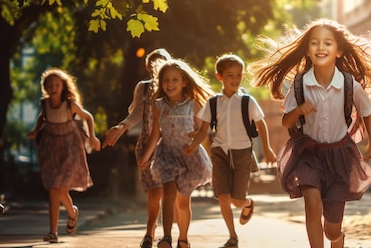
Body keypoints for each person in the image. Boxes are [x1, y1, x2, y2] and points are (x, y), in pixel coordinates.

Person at [249, 18, 371, 248]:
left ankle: (337, 238)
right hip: (309, 154)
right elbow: (285, 121)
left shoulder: (349, 85)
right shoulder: (300, 84)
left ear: (339, 50)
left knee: (332, 230)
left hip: (340, 156)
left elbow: (367, 111)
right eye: (315, 43)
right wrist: (299, 110)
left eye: (327, 43)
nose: (321, 47)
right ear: (308, 51)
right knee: (312, 204)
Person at [183, 54, 277, 248]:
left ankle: (248, 203)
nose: (235, 79)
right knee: (223, 196)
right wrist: (193, 146)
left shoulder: (247, 101)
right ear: (220, 77)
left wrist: (267, 149)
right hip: (219, 152)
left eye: (238, 75)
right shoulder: (213, 103)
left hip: (242, 152)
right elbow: (204, 130)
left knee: (236, 200)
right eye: (230, 75)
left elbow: (261, 124)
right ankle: (232, 237)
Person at [138, 59, 214, 248]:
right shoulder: (158, 105)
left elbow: (203, 130)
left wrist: (194, 141)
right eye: (166, 80)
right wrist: (146, 157)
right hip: (167, 154)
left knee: (182, 202)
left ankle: (183, 238)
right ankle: (166, 237)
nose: (170, 84)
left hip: (189, 157)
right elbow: (156, 133)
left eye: (174, 80)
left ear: (184, 82)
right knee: (168, 192)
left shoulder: (193, 104)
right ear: (161, 83)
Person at [103, 48, 171, 248]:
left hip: (171, 145)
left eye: (163, 61)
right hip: (146, 144)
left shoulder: (175, 85)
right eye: (154, 63)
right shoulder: (143, 88)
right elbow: (136, 115)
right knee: (154, 193)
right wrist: (121, 127)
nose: (158, 66)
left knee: (171, 193)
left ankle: (172, 236)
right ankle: (150, 233)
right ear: (148, 67)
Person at [27, 68, 101, 243]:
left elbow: (88, 117)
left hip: (70, 147)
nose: (53, 88)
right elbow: (42, 118)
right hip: (51, 147)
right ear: (45, 87)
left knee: (60, 188)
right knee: (54, 189)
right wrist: (36, 130)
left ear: (63, 87)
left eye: (57, 85)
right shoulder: (44, 104)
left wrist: (92, 136)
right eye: (50, 85)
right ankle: (55, 229)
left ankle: (70, 214)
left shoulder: (69, 104)